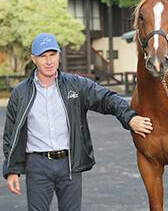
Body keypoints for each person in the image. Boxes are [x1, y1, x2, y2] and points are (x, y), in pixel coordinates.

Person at [2, 33, 153, 211]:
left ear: (59, 55)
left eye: (53, 55)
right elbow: (10, 134)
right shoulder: (20, 93)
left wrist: (130, 117)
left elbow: (107, 99)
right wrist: (12, 170)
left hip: (69, 163)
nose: (49, 61)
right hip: (37, 164)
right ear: (33, 59)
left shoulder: (76, 85)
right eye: (43, 56)